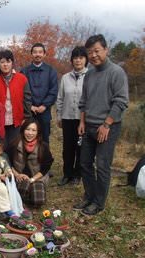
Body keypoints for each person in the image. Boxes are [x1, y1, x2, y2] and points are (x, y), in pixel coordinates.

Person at [74, 34, 129, 216]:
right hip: (89, 125)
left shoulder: (116, 72)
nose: (94, 55)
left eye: (97, 51)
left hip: (107, 127)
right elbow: (84, 101)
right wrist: (82, 121)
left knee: (103, 165)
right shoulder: (89, 74)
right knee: (85, 163)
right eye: (90, 52)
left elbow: (121, 101)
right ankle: (89, 196)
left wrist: (106, 124)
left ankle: (99, 203)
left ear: (106, 50)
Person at [56, 46, 88, 186]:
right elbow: (60, 98)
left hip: (83, 119)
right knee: (67, 148)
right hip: (68, 118)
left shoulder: (90, 76)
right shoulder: (65, 78)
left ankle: (77, 174)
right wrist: (59, 115)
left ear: (85, 60)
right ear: (72, 60)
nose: (78, 60)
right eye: (75, 58)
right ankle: (67, 174)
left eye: (81, 57)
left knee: (80, 148)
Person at [0, 49, 32, 147]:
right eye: (2, 62)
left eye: (8, 61)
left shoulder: (22, 79)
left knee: (15, 148)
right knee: (1, 148)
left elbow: (27, 100)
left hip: (17, 121)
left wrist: (27, 117)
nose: (5, 65)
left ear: (12, 63)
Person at [8, 119, 54, 207]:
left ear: (38, 132)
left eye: (33, 130)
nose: (30, 133)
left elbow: (46, 166)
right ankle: (23, 195)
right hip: (20, 177)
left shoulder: (43, 146)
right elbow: (7, 162)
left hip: (37, 177)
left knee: (38, 201)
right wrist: (17, 175)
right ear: (23, 130)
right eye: (27, 129)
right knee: (22, 189)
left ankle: (29, 193)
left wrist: (32, 179)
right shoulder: (14, 144)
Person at [21, 43, 58, 144]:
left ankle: (44, 159)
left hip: (44, 112)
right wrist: (30, 106)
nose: (38, 54)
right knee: (28, 139)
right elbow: (21, 92)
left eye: (40, 52)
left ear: (44, 54)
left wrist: (45, 105)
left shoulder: (51, 71)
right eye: (35, 52)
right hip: (29, 112)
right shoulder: (24, 71)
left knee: (44, 139)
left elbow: (53, 91)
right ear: (31, 54)